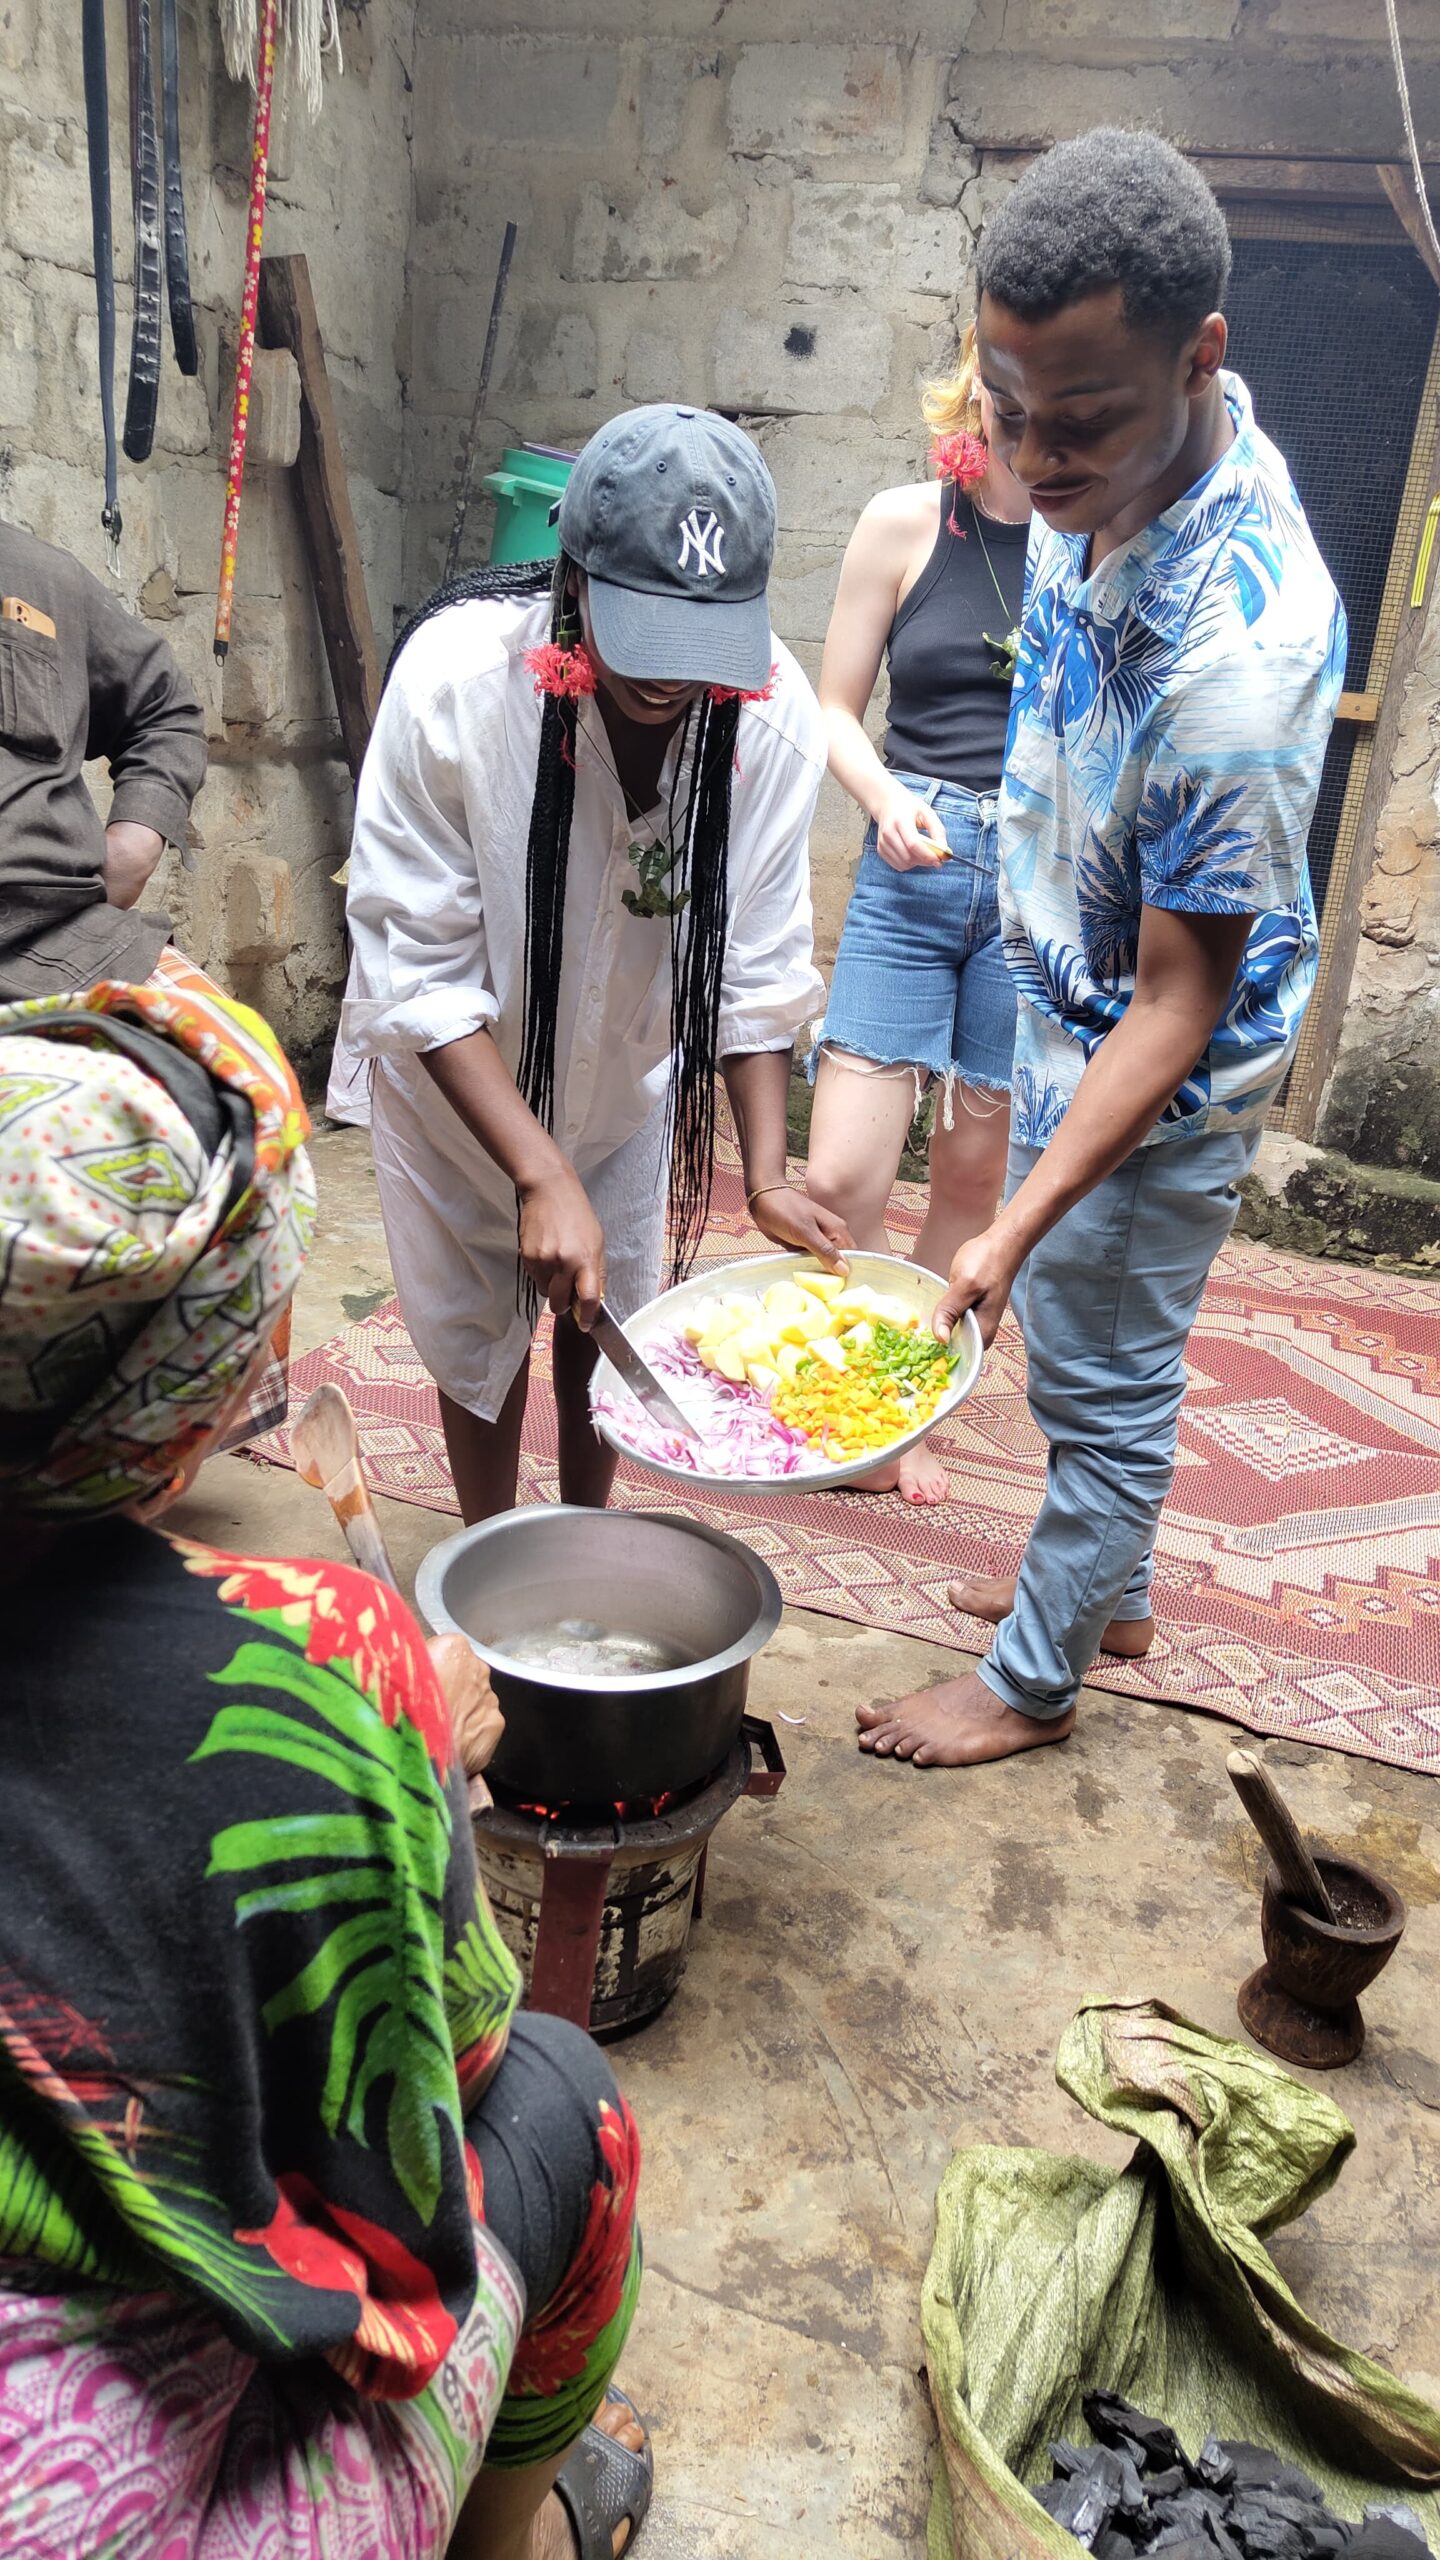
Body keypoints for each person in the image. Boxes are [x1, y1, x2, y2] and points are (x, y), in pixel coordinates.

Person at [0, 972, 651, 2560]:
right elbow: (432, 2098)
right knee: (567, 2102)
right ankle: (511, 2539)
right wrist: (420, 1768)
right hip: (81, 2494)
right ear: (198, 1377)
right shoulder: (315, 1668)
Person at [857, 128, 1345, 1769]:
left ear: (1199, 359)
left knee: (1104, 1370)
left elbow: (1182, 998)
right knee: (1084, 1336)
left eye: (1079, 423)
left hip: (1158, 1055)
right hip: (1066, 979)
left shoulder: (1238, 662)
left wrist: (1007, 1224)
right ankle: (1110, 1593)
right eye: (1006, 409)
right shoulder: (1114, 450)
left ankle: (1035, 1679)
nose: (1034, 463)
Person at [342, 403, 849, 1525]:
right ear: (571, 578)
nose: (668, 680)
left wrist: (768, 1173)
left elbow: (757, 964)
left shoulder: (770, 724)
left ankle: (583, 1535)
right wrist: (534, 1169)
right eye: (642, 635)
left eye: (700, 644)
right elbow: (415, 964)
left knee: (607, 1304)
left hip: (626, 1073)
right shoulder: (457, 684)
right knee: (476, 1331)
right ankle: (493, 1549)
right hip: (458, 1067)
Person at [804, 324, 1031, 1504]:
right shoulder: (903, 523)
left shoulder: (1097, 544)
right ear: (973, 392)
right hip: (913, 864)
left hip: (1034, 891)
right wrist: (885, 798)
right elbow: (835, 708)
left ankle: (903, 1403)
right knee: (842, 1171)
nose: (1017, 419)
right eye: (1000, 392)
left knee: (973, 1177)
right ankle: (871, 1344)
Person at [0, 514, 206, 1000]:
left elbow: (163, 707)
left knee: (234, 1046)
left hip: (59, 941)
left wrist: (136, 840)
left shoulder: (41, 575)